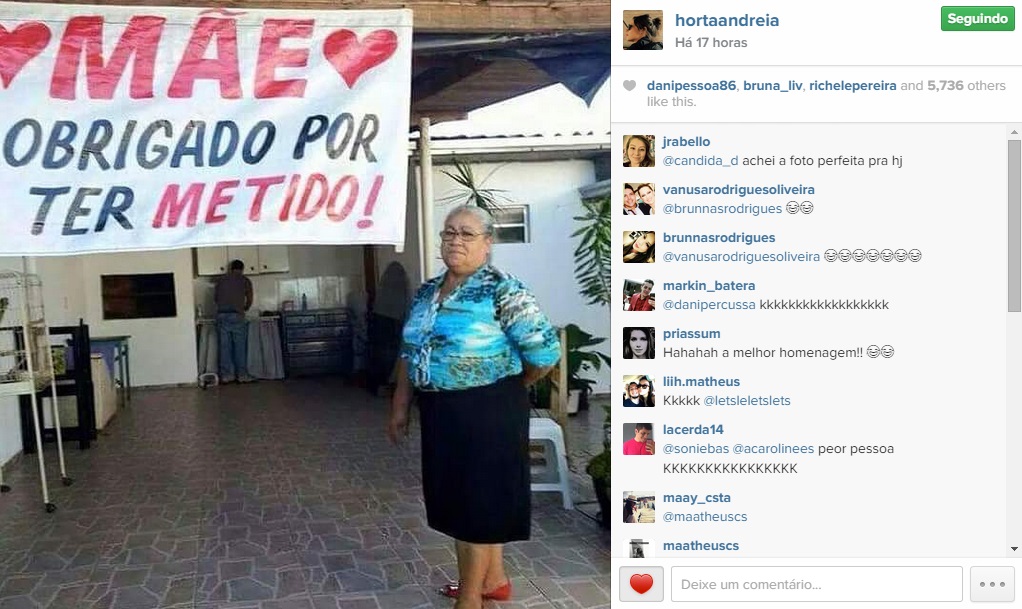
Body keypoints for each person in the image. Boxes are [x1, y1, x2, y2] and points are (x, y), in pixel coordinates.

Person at [388, 205, 560, 609]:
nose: (455, 241)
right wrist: (400, 403)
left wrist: (508, 384)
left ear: (487, 243)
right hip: (442, 411)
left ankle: (469, 600)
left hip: (490, 410)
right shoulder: (428, 291)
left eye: (467, 234)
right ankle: (494, 579)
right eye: (449, 233)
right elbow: (409, 350)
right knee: (460, 498)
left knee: (478, 505)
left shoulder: (503, 289)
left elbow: (544, 352)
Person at [214, 259, 254, 383]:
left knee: (224, 347)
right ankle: (242, 375)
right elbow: (250, 298)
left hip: (222, 315)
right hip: (237, 315)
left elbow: (215, 298)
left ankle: (226, 376)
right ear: (242, 269)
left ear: (230, 268)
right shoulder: (245, 280)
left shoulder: (221, 280)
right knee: (239, 347)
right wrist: (245, 308)